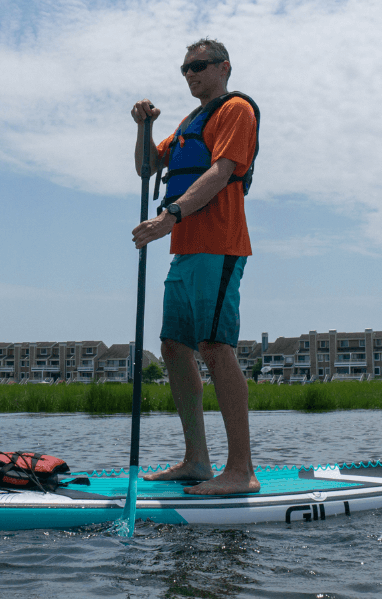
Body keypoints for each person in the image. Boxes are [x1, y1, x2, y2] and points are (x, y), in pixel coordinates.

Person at [130, 38, 260, 496]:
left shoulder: (235, 110)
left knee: (215, 346)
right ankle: (197, 461)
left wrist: (169, 217)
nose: (190, 74)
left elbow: (221, 171)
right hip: (184, 250)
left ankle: (241, 470)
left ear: (224, 67)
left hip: (219, 246)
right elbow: (148, 168)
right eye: (184, 68)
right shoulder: (190, 121)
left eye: (198, 66)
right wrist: (144, 128)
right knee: (172, 346)